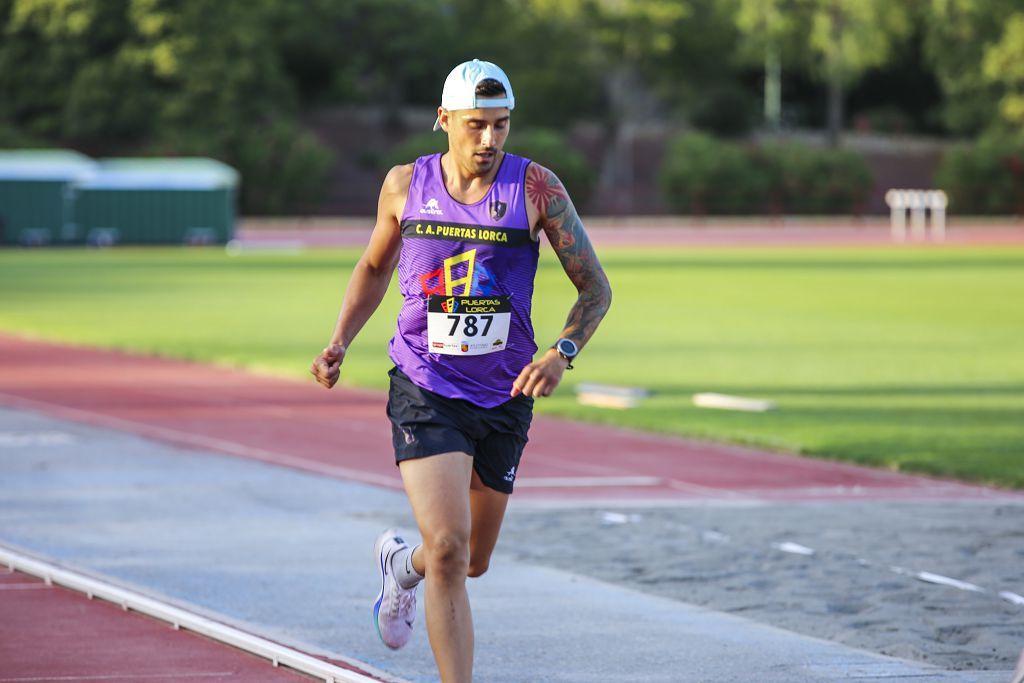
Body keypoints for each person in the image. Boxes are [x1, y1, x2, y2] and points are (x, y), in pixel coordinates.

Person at [310, 59, 611, 683]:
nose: (489, 141)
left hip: (504, 395)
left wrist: (562, 353)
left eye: (501, 126)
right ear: (443, 120)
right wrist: (340, 339)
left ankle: (402, 568)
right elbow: (373, 266)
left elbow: (596, 289)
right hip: (425, 384)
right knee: (449, 547)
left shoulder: (536, 189)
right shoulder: (404, 186)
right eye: (476, 125)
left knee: (469, 560)